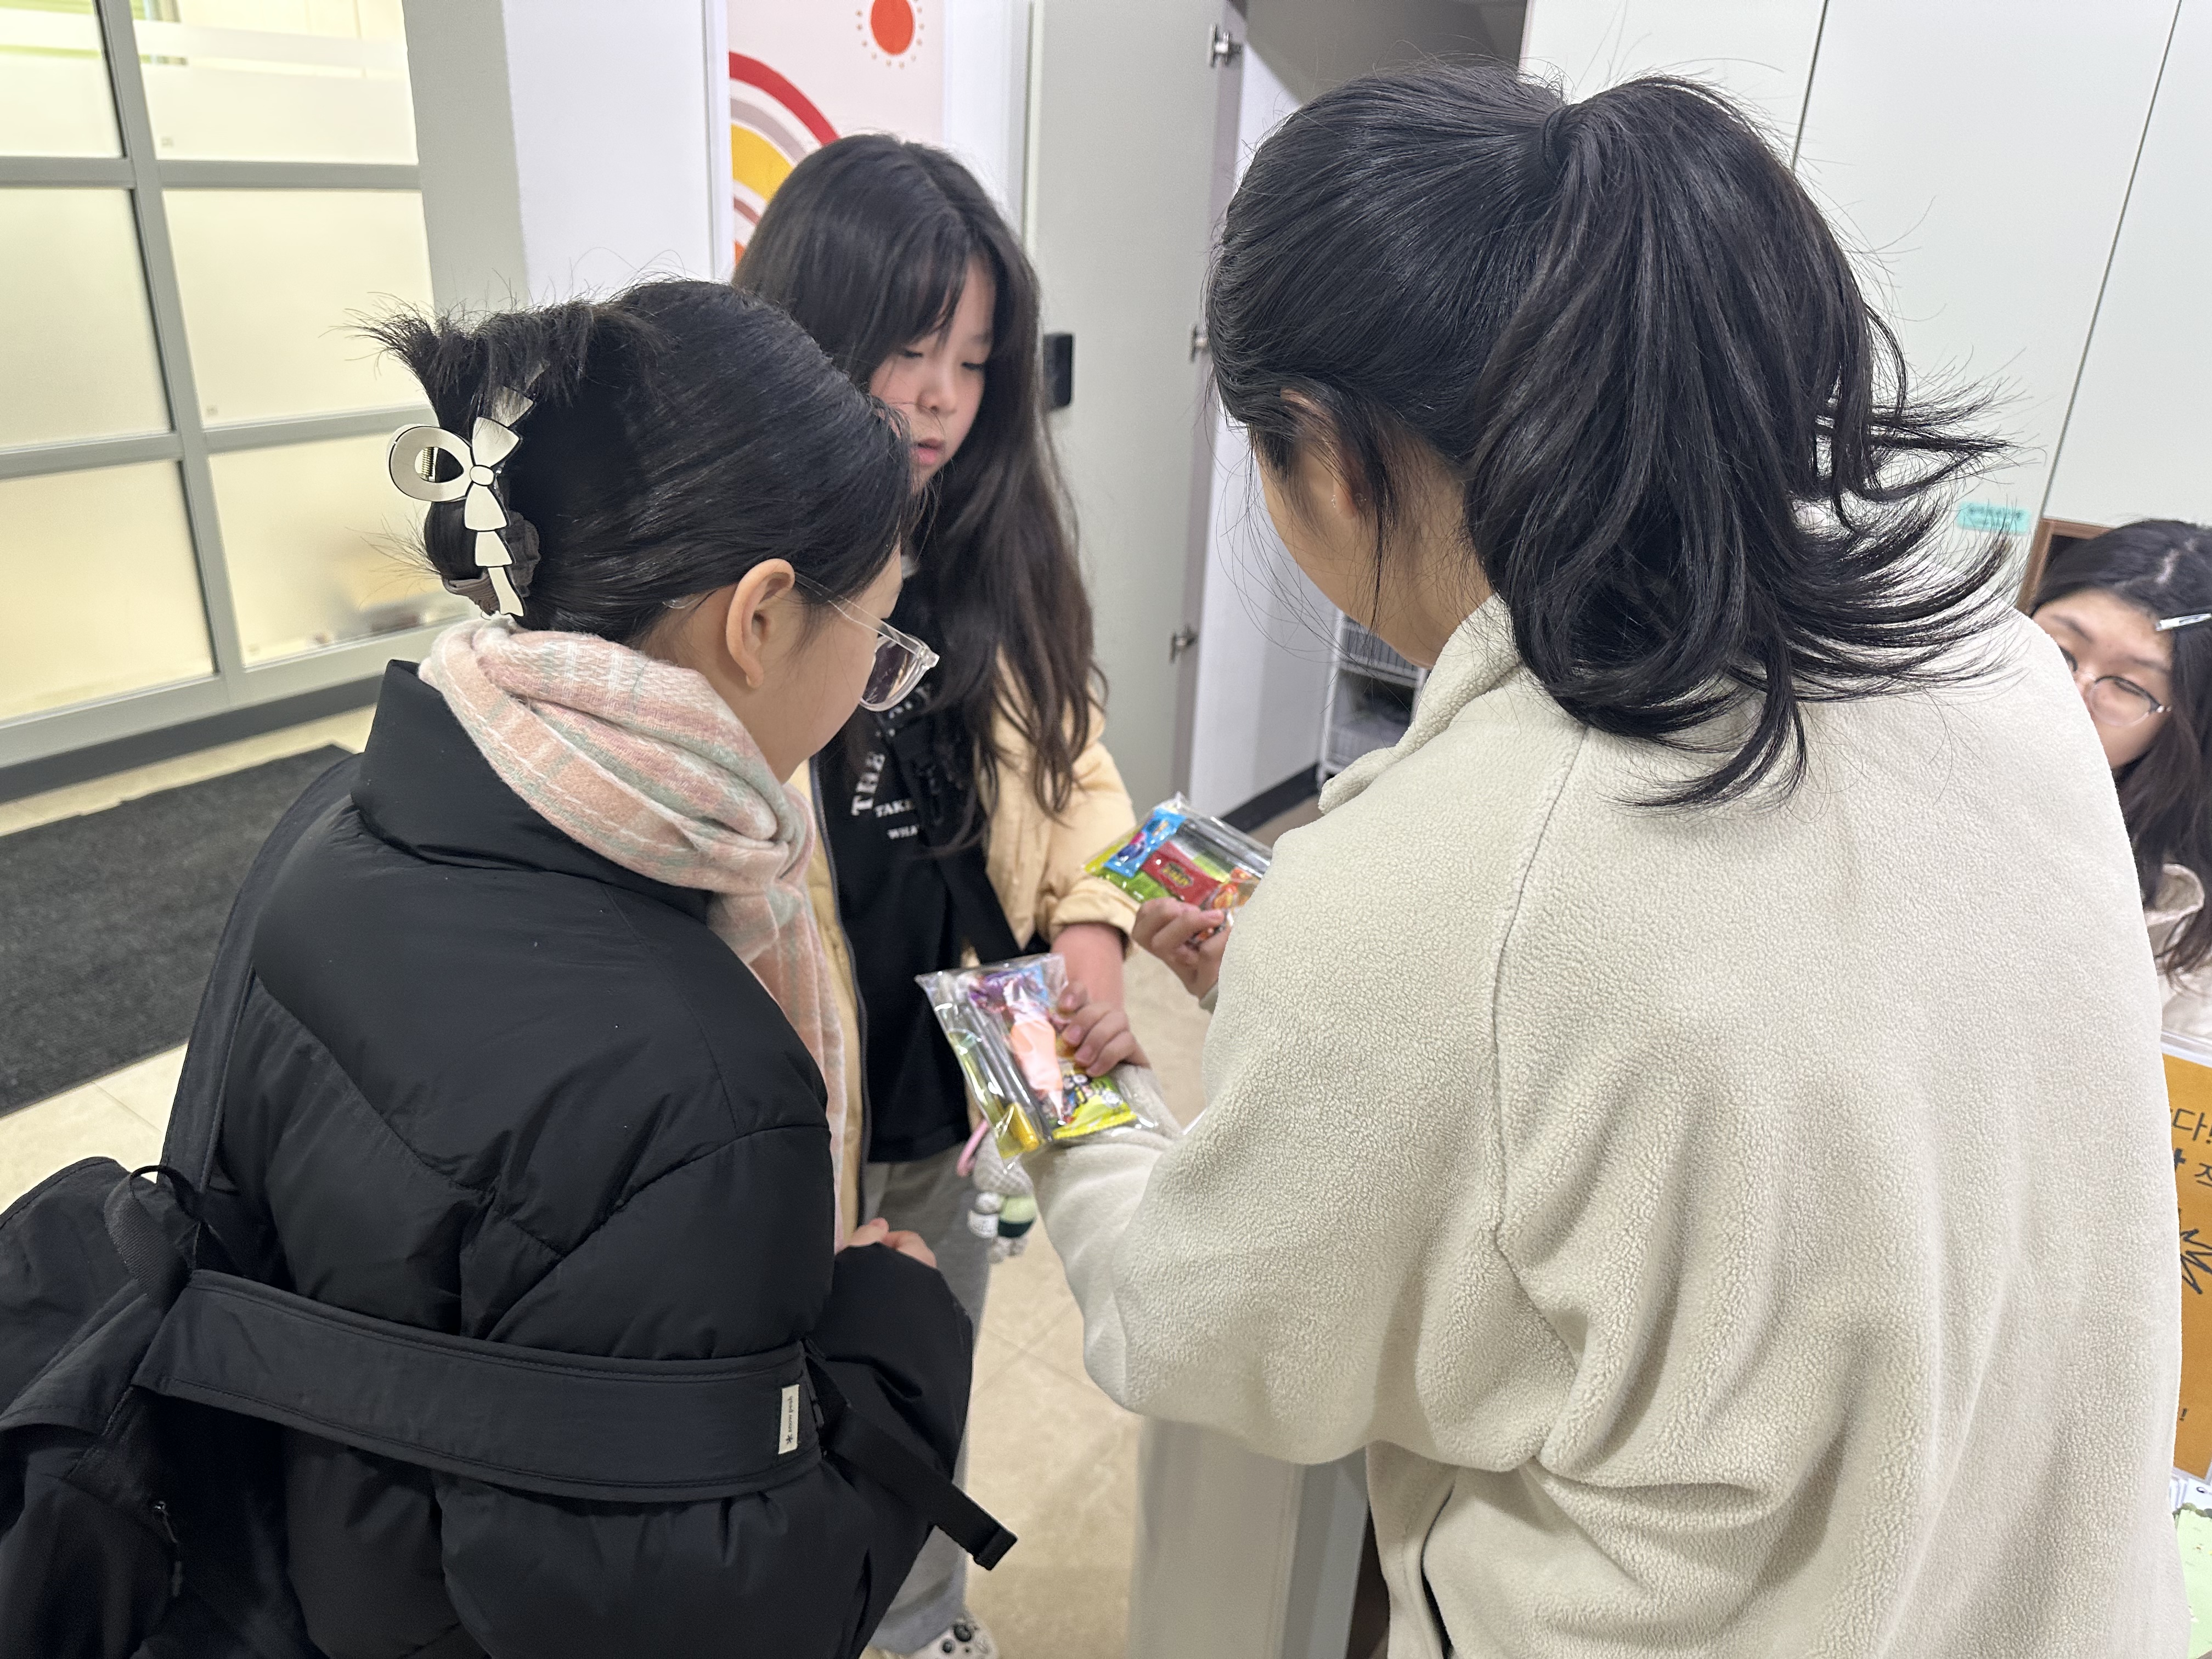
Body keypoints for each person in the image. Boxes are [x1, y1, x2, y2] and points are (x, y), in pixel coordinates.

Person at [1035, 65, 2187, 1657]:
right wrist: (1345, 1017)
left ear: (1329, 454)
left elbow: (1194, 1328)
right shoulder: (2001, 680)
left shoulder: (1440, 886)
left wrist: (1071, 1106)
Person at [200, 279, 974, 1656]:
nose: (875, 685)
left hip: (296, 1569)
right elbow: (720, 1616)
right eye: (877, 639)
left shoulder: (339, 824)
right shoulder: (707, 1089)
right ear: (761, 618)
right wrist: (902, 1343)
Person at [736, 136, 1139, 1659]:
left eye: (972, 361)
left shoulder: (992, 539)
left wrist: (1092, 932)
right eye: (908, 349)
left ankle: (923, 1628)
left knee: (926, 1374)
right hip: (791, 1098)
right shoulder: (737, 568)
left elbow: (1075, 764)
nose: (939, 399)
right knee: (782, 1402)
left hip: (972, 1050)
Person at [2030, 521, 2212, 1040]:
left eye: (2128, 686)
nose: (2068, 694)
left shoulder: (2184, 923)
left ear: (2186, 723)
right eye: (2057, 649)